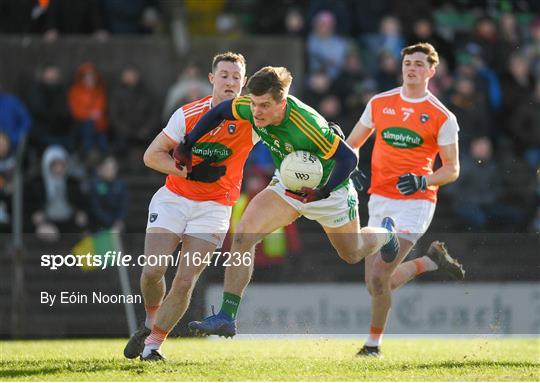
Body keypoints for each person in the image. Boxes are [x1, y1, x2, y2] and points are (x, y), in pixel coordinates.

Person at [174, 66, 402, 339]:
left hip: (330, 191)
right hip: (287, 185)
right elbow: (220, 112)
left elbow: (349, 159)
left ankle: (388, 233)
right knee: (243, 236)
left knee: (352, 253)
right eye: (255, 104)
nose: (256, 112)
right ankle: (227, 317)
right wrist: (188, 143)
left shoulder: (307, 124)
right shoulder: (251, 105)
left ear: (281, 104)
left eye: (265, 106)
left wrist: (324, 191)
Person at [123, 52, 257, 362]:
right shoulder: (187, 114)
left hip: (214, 208)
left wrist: (324, 131)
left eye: (237, 77)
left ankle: (153, 347)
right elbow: (152, 156)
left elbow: (286, 118)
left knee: (185, 280)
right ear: (212, 79)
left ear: (244, 83)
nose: (230, 82)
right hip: (175, 199)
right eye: (224, 75)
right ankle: (149, 322)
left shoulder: (253, 117)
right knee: (153, 271)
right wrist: (190, 172)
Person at [346, 43, 465, 358]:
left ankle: (372, 347)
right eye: (407, 62)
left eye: (418, 64)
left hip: (416, 201)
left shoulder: (442, 115)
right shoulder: (380, 103)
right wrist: (350, 167)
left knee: (379, 277)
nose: (411, 68)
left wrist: (423, 179)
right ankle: (430, 262)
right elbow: (353, 143)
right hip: (379, 199)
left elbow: (452, 169)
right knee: (374, 285)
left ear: (431, 71)